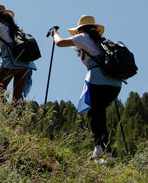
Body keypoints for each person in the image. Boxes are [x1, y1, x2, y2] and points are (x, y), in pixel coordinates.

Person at [52, 14, 122, 161]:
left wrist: (55, 33)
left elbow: (59, 43)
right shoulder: (102, 42)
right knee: (98, 115)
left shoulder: (82, 37)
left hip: (98, 80)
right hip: (115, 84)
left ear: (80, 29)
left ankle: (100, 150)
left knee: (95, 115)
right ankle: (105, 152)